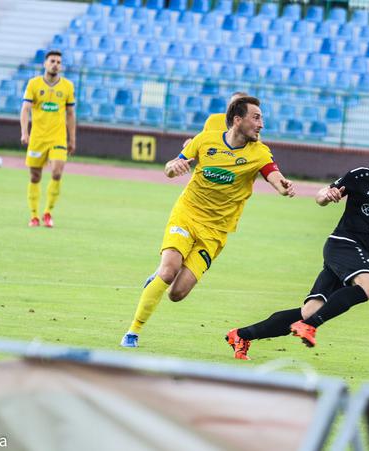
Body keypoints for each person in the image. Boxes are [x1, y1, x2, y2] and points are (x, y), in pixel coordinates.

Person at [225, 139, 369, 360]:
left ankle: (241, 335)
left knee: (309, 311)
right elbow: (321, 196)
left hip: (352, 258)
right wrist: (326, 196)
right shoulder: (362, 176)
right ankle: (309, 327)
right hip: (342, 244)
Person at [121, 96, 296, 348]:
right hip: (187, 214)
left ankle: (158, 278)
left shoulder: (259, 153)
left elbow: (274, 176)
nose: (261, 125)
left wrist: (284, 186)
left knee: (177, 294)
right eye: (256, 118)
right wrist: (173, 168)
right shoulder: (205, 140)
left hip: (215, 232)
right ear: (238, 120)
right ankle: (133, 332)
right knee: (169, 270)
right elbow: (171, 167)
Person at [20, 50, 76, 228]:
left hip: (58, 138)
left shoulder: (67, 86)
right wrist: (24, 132)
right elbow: (25, 109)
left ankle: (48, 213)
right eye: (52, 61)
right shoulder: (34, 84)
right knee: (35, 176)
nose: (55, 64)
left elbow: (70, 114)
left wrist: (72, 138)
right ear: (45, 63)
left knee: (57, 172)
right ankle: (34, 215)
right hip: (38, 138)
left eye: (59, 62)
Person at [181, 91, 249, 149]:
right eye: (233, 104)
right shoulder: (213, 120)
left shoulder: (250, 128)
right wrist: (192, 144)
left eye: (240, 105)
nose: (236, 107)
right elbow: (202, 141)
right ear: (228, 106)